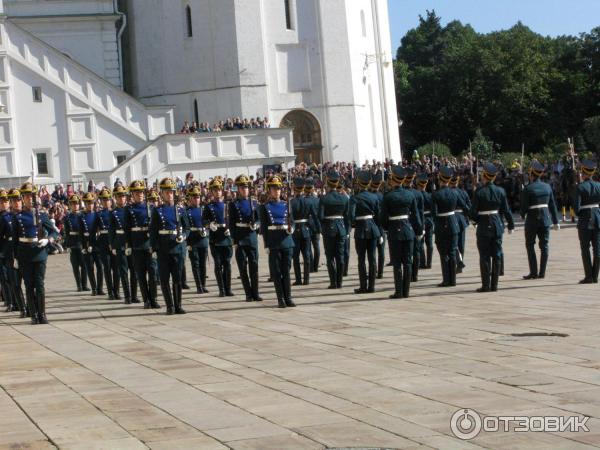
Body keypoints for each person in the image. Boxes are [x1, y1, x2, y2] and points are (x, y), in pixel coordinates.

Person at [12, 183, 58, 324]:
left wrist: (48, 240)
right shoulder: (18, 217)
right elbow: (15, 240)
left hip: (39, 252)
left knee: (39, 284)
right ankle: (33, 315)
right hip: (24, 254)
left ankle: (42, 314)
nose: (29, 199)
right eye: (26, 196)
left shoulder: (42, 214)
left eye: (31, 196)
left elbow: (54, 231)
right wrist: (15, 257)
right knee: (29, 285)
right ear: (23, 198)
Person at [470, 163, 515, 292]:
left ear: (484, 176)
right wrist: (510, 225)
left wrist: (477, 221)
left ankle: (486, 285)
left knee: (484, 256)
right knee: (497, 255)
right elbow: (506, 210)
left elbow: (473, 213)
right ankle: (494, 285)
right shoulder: (500, 191)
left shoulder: (479, 191)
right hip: (496, 225)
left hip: (484, 225)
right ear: (494, 177)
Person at [150, 177, 189, 315]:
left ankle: (178, 305)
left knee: (177, 278)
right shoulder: (157, 211)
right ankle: (169, 306)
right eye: (166, 192)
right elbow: (153, 231)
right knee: (165, 279)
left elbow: (187, 228)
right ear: (162, 194)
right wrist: (153, 248)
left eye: (171, 192)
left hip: (177, 247)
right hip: (163, 249)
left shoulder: (180, 210)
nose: (169, 194)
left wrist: (183, 236)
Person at [381, 166, 421, 298]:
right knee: (408, 261)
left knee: (397, 263)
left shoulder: (388, 196)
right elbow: (415, 216)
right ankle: (406, 291)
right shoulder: (410, 195)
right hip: (408, 230)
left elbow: (383, 218)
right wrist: (419, 230)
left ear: (393, 179)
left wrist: (387, 228)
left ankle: (399, 291)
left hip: (394, 231)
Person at [259, 175, 296, 308]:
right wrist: (266, 244)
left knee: (286, 271)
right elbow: (263, 227)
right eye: (274, 189)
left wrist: (292, 229)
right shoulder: (265, 207)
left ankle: (288, 297)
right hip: (274, 242)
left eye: (279, 189)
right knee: (276, 272)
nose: (277, 191)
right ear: (269, 190)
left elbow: (292, 221)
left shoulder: (286, 204)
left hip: (286, 240)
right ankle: (280, 298)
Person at [519, 162, 560, 280]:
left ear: (531, 174)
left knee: (530, 245)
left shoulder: (528, 188)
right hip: (545, 219)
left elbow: (524, 206)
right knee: (545, 245)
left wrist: (522, 214)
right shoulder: (547, 187)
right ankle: (542, 272)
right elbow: (552, 205)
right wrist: (556, 221)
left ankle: (533, 272)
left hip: (532, 220)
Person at [124, 180, 160, 309]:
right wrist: (128, 245)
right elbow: (127, 229)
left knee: (153, 273)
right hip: (137, 245)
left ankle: (154, 298)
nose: (139, 195)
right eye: (136, 193)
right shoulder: (129, 210)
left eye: (141, 192)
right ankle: (146, 300)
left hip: (149, 244)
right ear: (132, 195)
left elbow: (156, 228)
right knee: (141, 275)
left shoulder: (151, 208)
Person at [432, 167, 467, 287]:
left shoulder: (436, 194)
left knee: (444, 253)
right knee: (452, 252)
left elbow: (433, 213)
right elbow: (465, 207)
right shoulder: (455, 193)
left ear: (440, 179)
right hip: (453, 224)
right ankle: (453, 280)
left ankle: (446, 279)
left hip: (441, 225)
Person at [230, 174, 262, 301]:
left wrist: (256, 225)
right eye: (242, 188)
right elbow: (231, 223)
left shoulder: (254, 203)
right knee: (243, 268)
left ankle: (256, 292)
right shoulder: (234, 204)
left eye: (246, 188)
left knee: (254, 267)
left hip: (251, 236)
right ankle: (248, 293)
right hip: (240, 238)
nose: (244, 190)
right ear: (238, 189)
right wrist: (234, 240)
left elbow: (259, 220)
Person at [350, 171, 381, 293]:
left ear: (358, 183)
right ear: (368, 184)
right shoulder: (374, 197)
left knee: (361, 259)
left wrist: (355, 223)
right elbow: (378, 216)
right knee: (372, 258)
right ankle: (372, 286)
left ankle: (363, 286)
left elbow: (351, 216)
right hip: (373, 229)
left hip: (361, 229)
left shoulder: (355, 198)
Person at [204, 177, 234, 297]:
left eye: (219, 190)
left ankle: (228, 288)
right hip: (215, 238)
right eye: (215, 190)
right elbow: (204, 220)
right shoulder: (209, 206)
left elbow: (233, 220)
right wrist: (209, 224)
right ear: (211, 192)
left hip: (226, 237)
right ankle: (221, 289)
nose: (217, 192)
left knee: (227, 264)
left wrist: (230, 230)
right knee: (218, 264)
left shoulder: (227, 205)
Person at [319, 171, 351, 289]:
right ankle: (340, 282)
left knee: (330, 256)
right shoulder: (344, 198)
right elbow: (347, 217)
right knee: (340, 255)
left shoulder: (324, 198)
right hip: (341, 228)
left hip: (329, 228)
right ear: (337, 182)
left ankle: (333, 282)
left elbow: (320, 216)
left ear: (328, 182)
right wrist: (347, 231)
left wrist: (323, 228)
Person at [109, 185, 138, 304]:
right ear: (115, 198)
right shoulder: (113, 213)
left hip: (130, 242)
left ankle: (134, 295)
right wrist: (112, 245)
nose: (122, 199)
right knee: (123, 271)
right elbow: (111, 231)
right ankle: (127, 296)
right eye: (119, 197)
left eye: (123, 196)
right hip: (120, 243)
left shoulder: (130, 210)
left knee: (134, 271)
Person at [574, 160, 600, 284]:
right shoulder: (599, 186)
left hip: (585, 221)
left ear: (583, 173)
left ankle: (589, 276)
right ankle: (595, 275)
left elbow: (576, 208)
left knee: (585, 249)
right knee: (598, 249)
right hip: (598, 219)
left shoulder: (580, 187)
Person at [1, 189, 26, 317]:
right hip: (10, 252)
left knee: (29, 283)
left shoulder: (25, 215)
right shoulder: (5, 218)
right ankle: (17, 305)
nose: (16, 203)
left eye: (18, 200)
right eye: (13, 201)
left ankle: (29, 307)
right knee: (12, 281)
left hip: (24, 252)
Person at [96, 188, 120, 299]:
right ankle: (110, 292)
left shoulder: (114, 212)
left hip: (114, 241)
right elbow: (93, 230)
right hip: (103, 242)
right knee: (107, 268)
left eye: (108, 199)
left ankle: (117, 291)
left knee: (116, 268)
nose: (106, 202)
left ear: (111, 200)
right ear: (100, 201)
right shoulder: (98, 214)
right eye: (103, 200)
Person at [185, 186, 209, 294]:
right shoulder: (186, 211)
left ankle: (203, 285)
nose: (196, 199)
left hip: (203, 238)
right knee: (195, 264)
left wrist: (207, 230)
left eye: (198, 197)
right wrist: (188, 243)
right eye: (194, 197)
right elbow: (186, 227)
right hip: (193, 240)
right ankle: (199, 286)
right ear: (190, 198)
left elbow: (208, 222)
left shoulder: (203, 209)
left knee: (203, 264)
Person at [80, 192, 104, 296]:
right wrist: (83, 246)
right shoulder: (81, 217)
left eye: (92, 203)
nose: (90, 205)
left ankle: (100, 288)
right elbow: (80, 233)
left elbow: (100, 229)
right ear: (85, 204)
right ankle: (94, 288)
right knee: (90, 268)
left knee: (100, 267)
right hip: (87, 243)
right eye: (88, 203)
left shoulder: (97, 215)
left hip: (96, 244)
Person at [63, 194, 88, 292]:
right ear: (70, 205)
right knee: (75, 266)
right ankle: (79, 285)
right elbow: (66, 232)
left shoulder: (83, 215)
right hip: (73, 244)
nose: (75, 205)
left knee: (84, 265)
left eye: (77, 203)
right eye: (73, 204)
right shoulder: (67, 218)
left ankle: (84, 284)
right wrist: (67, 245)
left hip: (81, 242)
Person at [403, 168, 424, 281]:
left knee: (406, 253)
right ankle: (414, 275)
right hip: (415, 225)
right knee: (416, 251)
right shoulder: (418, 194)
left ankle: (407, 274)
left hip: (404, 225)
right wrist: (421, 228)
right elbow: (420, 214)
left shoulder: (401, 193)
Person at [290, 177, 312, 286]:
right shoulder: (308, 201)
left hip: (295, 231)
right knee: (306, 255)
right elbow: (312, 217)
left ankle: (298, 279)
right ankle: (306, 279)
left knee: (296, 256)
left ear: (294, 188)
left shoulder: (292, 202)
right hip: (306, 230)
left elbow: (290, 218)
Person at [450, 175, 471, 274]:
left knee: (452, 243)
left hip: (451, 218)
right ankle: (460, 263)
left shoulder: (448, 193)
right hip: (462, 219)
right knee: (461, 243)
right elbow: (468, 206)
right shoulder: (463, 192)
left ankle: (456, 262)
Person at [370, 172, 387, 278]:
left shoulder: (370, 196)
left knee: (372, 252)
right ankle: (380, 272)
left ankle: (374, 270)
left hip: (372, 225)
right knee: (381, 251)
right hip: (380, 226)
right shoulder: (382, 197)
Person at [416, 174, 434, 269]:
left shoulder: (416, 195)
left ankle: (422, 262)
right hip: (429, 219)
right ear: (425, 185)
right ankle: (429, 263)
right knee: (429, 242)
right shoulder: (429, 195)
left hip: (420, 219)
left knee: (420, 242)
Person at [304, 178, 321, 273]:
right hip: (315, 225)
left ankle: (311, 266)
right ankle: (315, 266)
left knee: (308, 248)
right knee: (316, 246)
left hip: (307, 225)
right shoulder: (317, 200)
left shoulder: (304, 200)